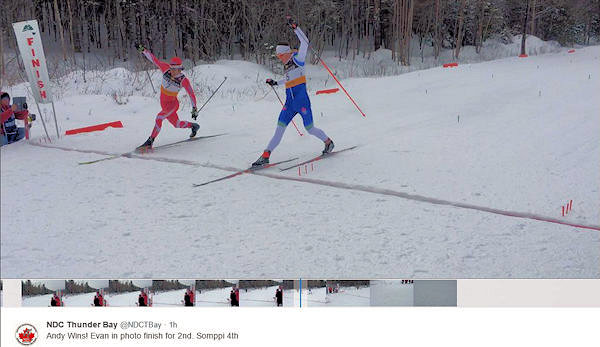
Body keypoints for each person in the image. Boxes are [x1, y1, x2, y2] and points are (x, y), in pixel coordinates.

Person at [252, 17, 334, 166]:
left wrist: (296, 28)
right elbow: (288, 79)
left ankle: (328, 142)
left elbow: (305, 42)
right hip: (289, 104)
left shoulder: (298, 59)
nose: (279, 58)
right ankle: (266, 154)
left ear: (287, 53)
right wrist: (276, 82)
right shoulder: (287, 66)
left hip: (302, 102)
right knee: (279, 129)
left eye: (280, 56)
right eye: (278, 57)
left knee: (310, 129)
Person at [135, 45, 200, 151]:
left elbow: (191, 94)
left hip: (172, 105)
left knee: (159, 117)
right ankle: (194, 126)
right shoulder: (165, 69)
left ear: (180, 69)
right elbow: (153, 59)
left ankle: (150, 141)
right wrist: (144, 50)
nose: (173, 71)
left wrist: (194, 109)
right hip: (164, 104)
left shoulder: (183, 80)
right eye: (172, 68)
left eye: (176, 69)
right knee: (176, 124)